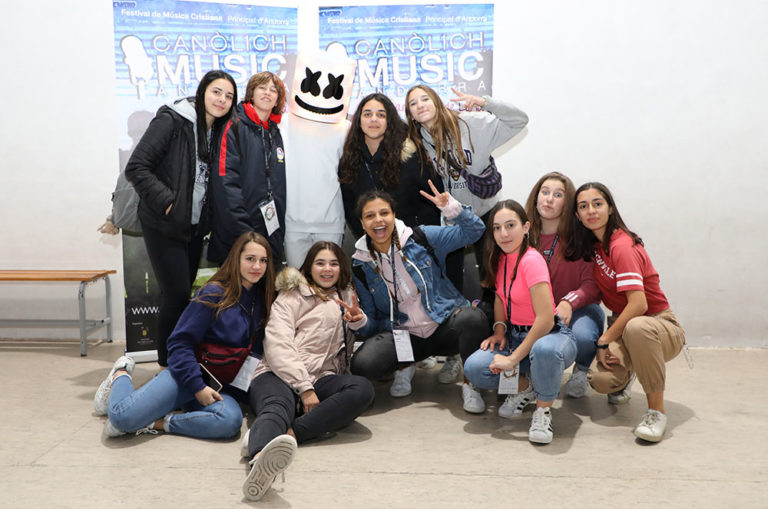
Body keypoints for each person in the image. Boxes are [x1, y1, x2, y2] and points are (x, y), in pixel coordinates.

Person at [93, 232, 276, 439]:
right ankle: (120, 373)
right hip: (186, 376)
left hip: (217, 387)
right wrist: (198, 387)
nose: (257, 266)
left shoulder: (263, 300)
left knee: (230, 421)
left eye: (263, 261)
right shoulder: (213, 293)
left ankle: (158, 423)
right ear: (236, 259)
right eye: (250, 259)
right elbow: (179, 343)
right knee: (122, 417)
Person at [242, 242, 374, 501]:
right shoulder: (291, 296)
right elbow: (278, 345)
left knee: (362, 389)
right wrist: (304, 389)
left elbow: (357, 330)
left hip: (322, 376)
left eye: (334, 264)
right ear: (309, 267)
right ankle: (259, 461)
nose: (327, 269)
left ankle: (288, 435)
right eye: (320, 263)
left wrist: (359, 320)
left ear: (342, 268)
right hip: (277, 374)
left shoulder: (346, 295)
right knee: (276, 407)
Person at [125, 70, 237, 367]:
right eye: (216, 92)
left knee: (181, 294)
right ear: (202, 93)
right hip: (164, 223)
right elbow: (137, 167)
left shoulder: (219, 129)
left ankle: (179, 359)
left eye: (228, 96)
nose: (222, 100)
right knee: (175, 294)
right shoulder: (173, 120)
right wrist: (167, 202)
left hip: (194, 226)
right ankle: (166, 365)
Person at [348, 184, 489, 404]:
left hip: (443, 326)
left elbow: (475, 231)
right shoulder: (361, 264)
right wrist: (360, 321)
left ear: (394, 215)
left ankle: (471, 385)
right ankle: (405, 365)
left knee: (473, 317)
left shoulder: (421, 237)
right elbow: (372, 323)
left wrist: (453, 209)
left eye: (384, 213)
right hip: (405, 336)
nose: (378, 220)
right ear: (362, 223)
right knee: (363, 365)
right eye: (370, 216)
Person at [568, 182, 686, 443]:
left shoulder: (621, 245)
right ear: (577, 214)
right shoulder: (595, 247)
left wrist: (604, 340)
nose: (591, 211)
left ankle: (656, 413)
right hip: (626, 327)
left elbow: (638, 305)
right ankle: (630, 370)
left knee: (637, 327)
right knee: (601, 380)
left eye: (597, 204)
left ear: (610, 208)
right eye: (583, 206)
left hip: (658, 325)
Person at [463, 200, 577, 444]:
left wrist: (512, 359)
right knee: (474, 368)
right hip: (515, 336)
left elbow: (545, 320)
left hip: (549, 335)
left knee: (544, 351)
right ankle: (526, 385)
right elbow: (499, 297)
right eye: (497, 228)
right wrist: (499, 329)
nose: (503, 234)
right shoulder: (500, 257)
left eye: (510, 225)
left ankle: (543, 411)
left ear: (526, 227)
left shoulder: (531, 260)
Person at [405, 85, 528, 295]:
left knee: (493, 276)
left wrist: (486, 102)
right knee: (452, 278)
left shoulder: (471, 124)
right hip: (454, 217)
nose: (420, 105)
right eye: (413, 103)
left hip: (486, 211)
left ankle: (495, 314)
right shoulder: (417, 142)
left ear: (436, 102)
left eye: (425, 99)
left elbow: (520, 120)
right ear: (411, 114)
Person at [524, 172, 605, 398]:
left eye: (558, 195)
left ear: (567, 203)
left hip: (578, 310)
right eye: (545, 192)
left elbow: (592, 284)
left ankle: (581, 370)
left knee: (583, 335)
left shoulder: (581, 237)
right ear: (536, 197)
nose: (549, 199)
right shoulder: (522, 236)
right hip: (535, 311)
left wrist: (569, 302)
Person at [209, 71, 287, 264]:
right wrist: (243, 230)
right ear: (251, 93)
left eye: (273, 90)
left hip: (270, 231)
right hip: (238, 232)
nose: (267, 93)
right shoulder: (234, 126)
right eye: (262, 87)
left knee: (268, 282)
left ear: (278, 99)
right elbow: (225, 182)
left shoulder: (275, 131)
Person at [339, 93, 442, 239]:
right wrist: (370, 239)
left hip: (414, 241)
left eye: (381, 115)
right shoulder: (349, 161)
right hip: (373, 243)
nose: (374, 119)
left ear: (389, 120)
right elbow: (350, 209)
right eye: (367, 114)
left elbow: (431, 199)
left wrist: (417, 236)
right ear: (358, 121)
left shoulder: (410, 155)